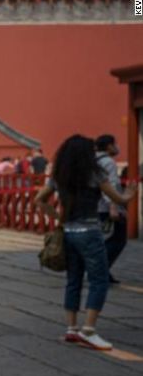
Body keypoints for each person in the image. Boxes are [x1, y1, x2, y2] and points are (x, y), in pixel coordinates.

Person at [34, 135, 136, 350]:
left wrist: (56, 216)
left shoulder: (60, 175)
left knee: (74, 280)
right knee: (99, 280)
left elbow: (39, 200)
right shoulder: (95, 173)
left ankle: (71, 329)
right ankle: (88, 330)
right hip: (90, 231)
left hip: (69, 232)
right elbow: (117, 199)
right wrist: (130, 194)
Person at [95, 135, 127, 284]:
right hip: (107, 207)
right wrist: (113, 207)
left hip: (95, 206)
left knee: (102, 240)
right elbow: (110, 185)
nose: (116, 147)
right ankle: (100, 270)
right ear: (108, 146)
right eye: (114, 144)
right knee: (119, 239)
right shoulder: (109, 162)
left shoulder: (92, 160)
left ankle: (101, 270)